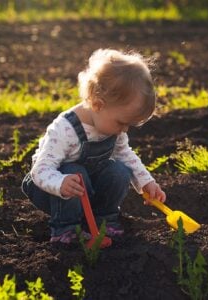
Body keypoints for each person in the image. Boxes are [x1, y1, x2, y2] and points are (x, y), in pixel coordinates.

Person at [22, 48, 166, 243]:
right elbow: (40, 171)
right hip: (50, 190)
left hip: (89, 188)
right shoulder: (64, 130)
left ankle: (103, 220)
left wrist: (146, 183)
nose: (124, 130)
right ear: (97, 105)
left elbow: (126, 155)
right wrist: (60, 183)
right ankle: (66, 229)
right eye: (122, 123)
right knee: (75, 171)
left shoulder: (111, 127)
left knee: (119, 171)